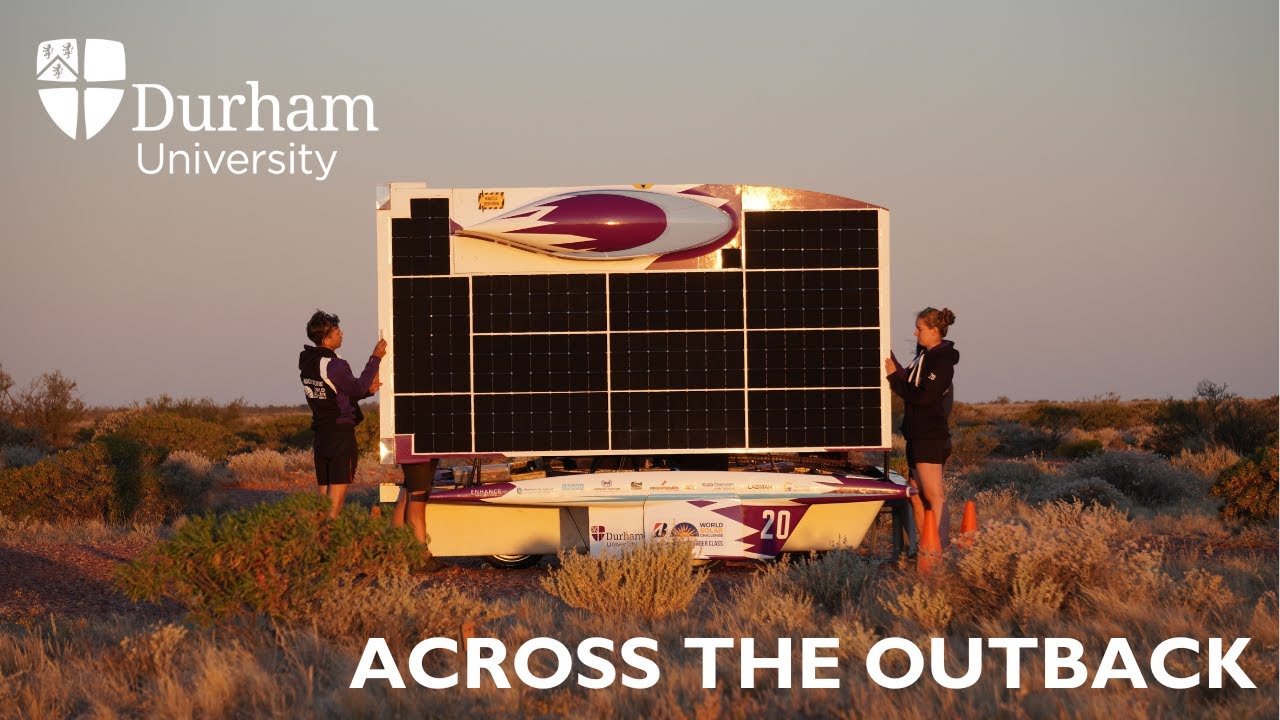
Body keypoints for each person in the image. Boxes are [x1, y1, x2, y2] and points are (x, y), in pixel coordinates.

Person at [299, 310, 386, 519]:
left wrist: (367, 392)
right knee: (334, 507)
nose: (342, 334)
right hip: (340, 436)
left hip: (321, 436)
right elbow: (356, 388)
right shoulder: (334, 365)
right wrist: (375, 358)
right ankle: (329, 537)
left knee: (323, 501)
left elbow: (335, 393)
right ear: (326, 338)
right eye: (337, 332)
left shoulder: (308, 362)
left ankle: (316, 536)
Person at [885, 307, 959, 549]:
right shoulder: (924, 356)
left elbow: (923, 397)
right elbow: (907, 378)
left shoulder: (942, 361)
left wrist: (893, 380)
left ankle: (938, 553)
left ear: (934, 330)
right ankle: (927, 549)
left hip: (930, 437)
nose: (915, 333)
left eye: (919, 329)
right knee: (915, 496)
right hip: (916, 436)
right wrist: (887, 355)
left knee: (934, 496)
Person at [391, 460, 438, 544]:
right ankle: (419, 548)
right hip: (415, 453)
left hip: (428, 452)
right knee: (418, 495)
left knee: (410, 492)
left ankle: (396, 547)